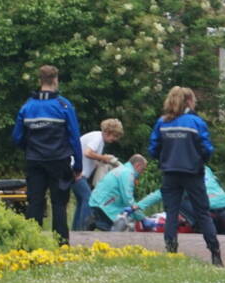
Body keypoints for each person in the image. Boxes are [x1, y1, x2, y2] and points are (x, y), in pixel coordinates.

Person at [148, 86, 222, 266]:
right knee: (202, 213)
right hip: (192, 172)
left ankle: (171, 251)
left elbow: (153, 148)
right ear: (189, 101)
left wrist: (164, 159)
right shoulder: (195, 122)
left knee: (171, 213)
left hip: (170, 172)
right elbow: (206, 148)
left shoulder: (163, 122)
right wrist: (200, 160)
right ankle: (215, 254)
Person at [12, 65, 82, 244]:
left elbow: (17, 137)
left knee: (35, 202)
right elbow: (74, 137)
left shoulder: (27, 106)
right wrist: (78, 165)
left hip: (34, 160)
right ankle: (61, 244)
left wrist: (28, 149)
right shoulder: (63, 105)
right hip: (59, 160)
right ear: (56, 80)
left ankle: (31, 243)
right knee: (59, 203)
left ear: (40, 81)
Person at [137, 166, 225, 234]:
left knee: (176, 197)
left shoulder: (180, 172)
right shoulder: (205, 168)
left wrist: (138, 206)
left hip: (208, 214)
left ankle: (193, 224)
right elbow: (216, 181)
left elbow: (161, 193)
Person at [71, 119, 124, 231]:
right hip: (76, 172)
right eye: (114, 136)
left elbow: (91, 158)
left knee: (82, 200)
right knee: (88, 198)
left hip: (77, 172)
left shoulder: (98, 139)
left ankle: (76, 230)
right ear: (108, 132)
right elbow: (88, 153)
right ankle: (83, 229)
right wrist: (103, 158)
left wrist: (101, 161)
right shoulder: (97, 137)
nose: (114, 140)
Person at [87, 154, 147, 231]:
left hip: (96, 202)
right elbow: (128, 199)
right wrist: (142, 218)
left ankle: (93, 222)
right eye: (142, 169)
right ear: (138, 165)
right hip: (104, 206)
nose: (142, 173)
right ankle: (95, 222)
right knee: (117, 231)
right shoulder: (128, 173)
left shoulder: (121, 169)